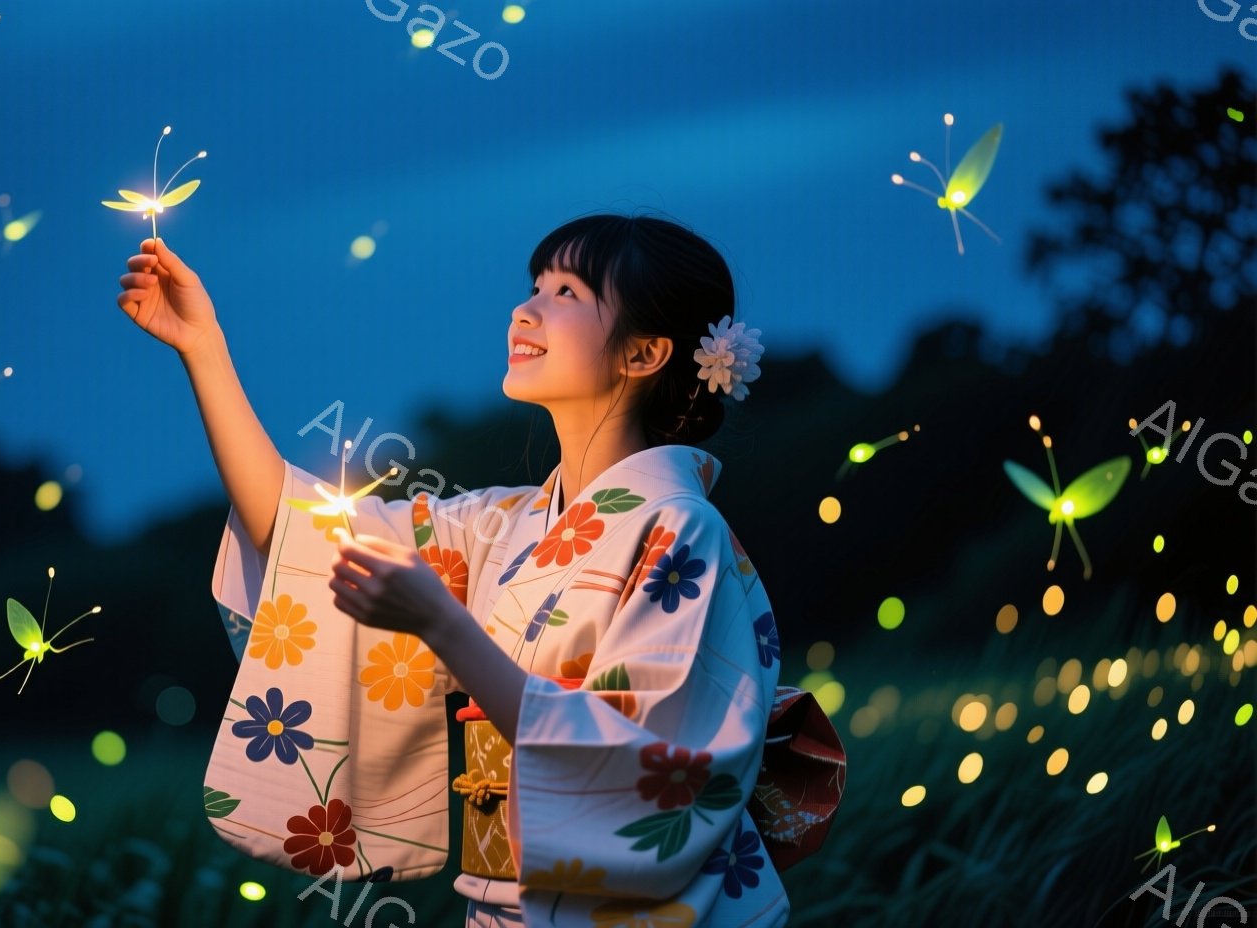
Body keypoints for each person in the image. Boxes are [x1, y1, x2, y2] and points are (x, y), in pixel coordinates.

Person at [116, 214, 843, 928]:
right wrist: (204, 350)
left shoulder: (682, 530)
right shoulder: (501, 526)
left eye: (567, 294)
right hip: (503, 909)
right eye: (534, 286)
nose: (525, 310)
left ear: (645, 353)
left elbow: (649, 763)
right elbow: (299, 539)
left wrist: (440, 622)